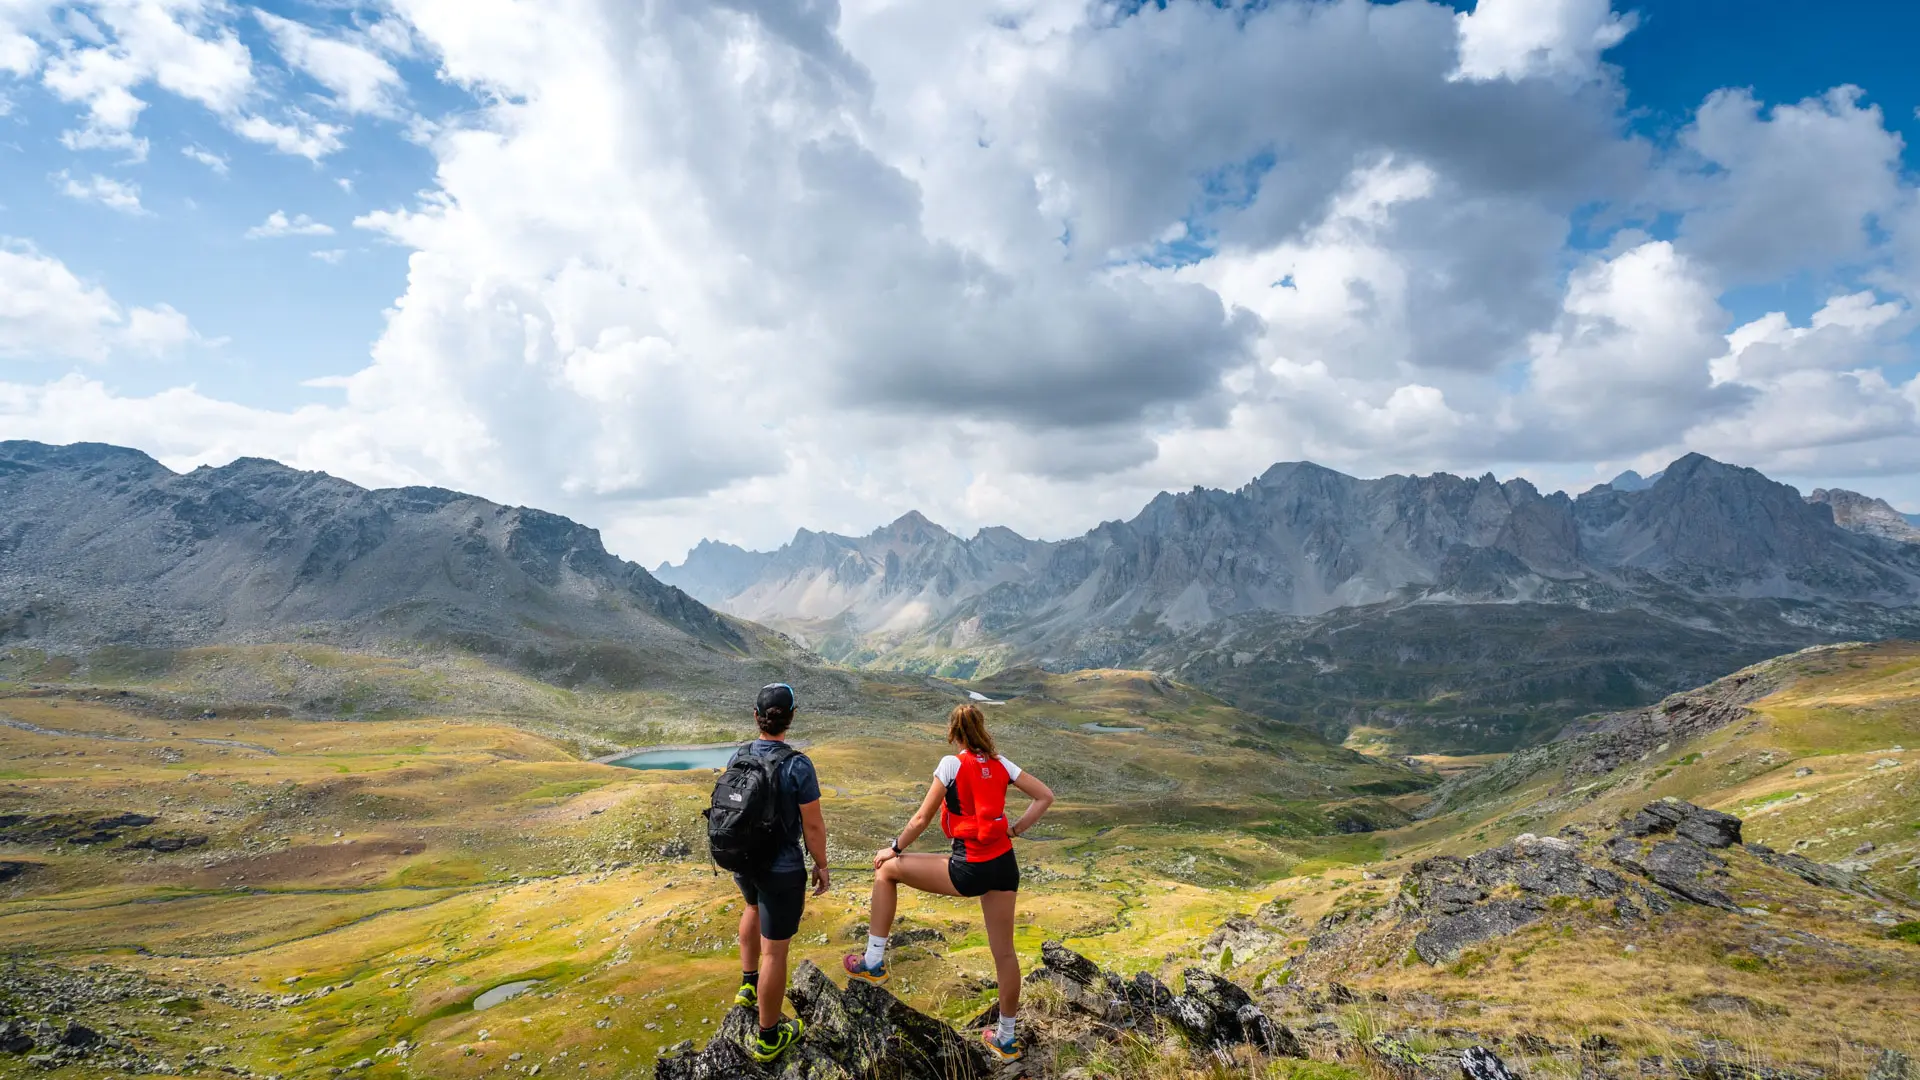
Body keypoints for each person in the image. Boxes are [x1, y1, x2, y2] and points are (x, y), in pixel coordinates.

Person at [843, 703, 1054, 1063]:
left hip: (969, 869)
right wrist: (1015, 830)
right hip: (1004, 866)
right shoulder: (1002, 764)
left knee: (887, 870)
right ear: (982, 729)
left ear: (954, 733)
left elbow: (923, 817)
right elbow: (1045, 796)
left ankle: (873, 962)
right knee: (1005, 953)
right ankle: (1006, 1038)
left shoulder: (951, 764)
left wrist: (892, 848)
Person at [728, 683, 829, 1063]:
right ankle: (769, 1037)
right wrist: (820, 864)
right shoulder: (798, 764)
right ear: (792, 716)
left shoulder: (739, 755)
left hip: (744, 861)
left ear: (756, 717)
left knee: (751, 908)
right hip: (782, 869)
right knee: (776, 952)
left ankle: (747, 985)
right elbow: (813, 827)